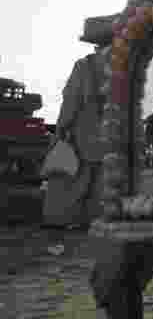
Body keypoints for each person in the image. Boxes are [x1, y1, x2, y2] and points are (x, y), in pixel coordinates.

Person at [43, 47, 110, 229]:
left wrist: (61, 128)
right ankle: (91, 220)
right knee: (98, 183)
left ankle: (61, 220)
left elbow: (71, 100)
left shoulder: (84, 66)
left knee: (73, 181)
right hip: (109, 136)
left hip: (82, 134)